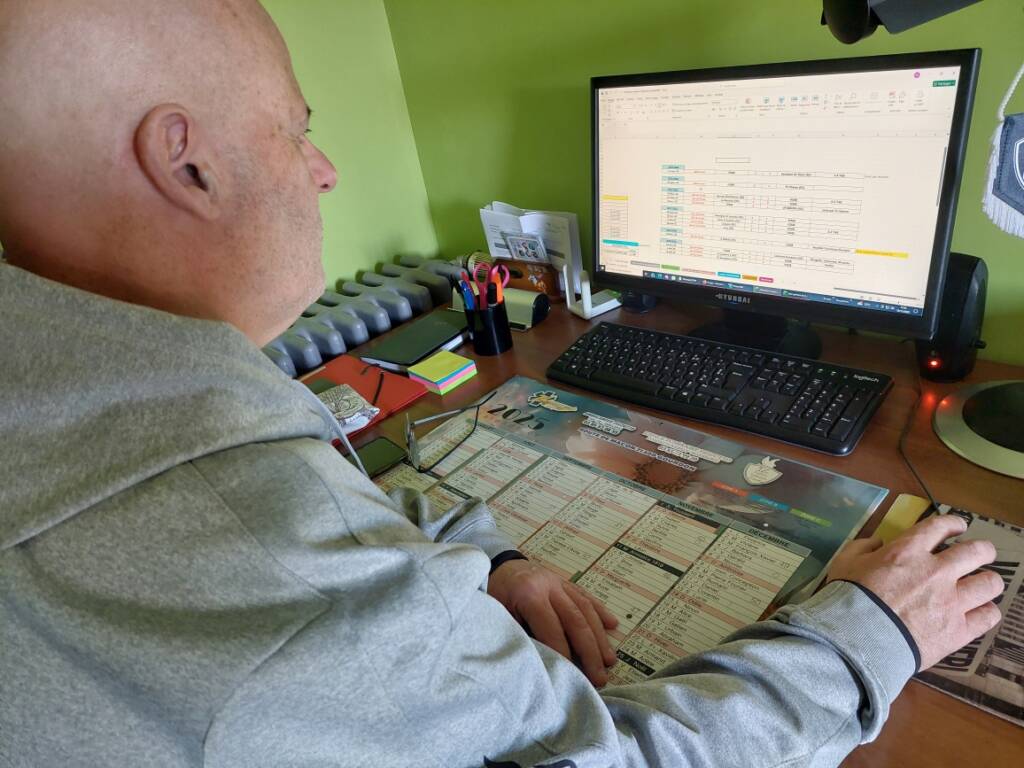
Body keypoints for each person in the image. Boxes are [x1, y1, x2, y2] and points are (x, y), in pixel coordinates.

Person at [0, 1, 1004, 766]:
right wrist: (869, 634)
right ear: (187, 166)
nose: (325, 169)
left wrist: (491, 560)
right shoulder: (262, 545)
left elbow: (340, 509)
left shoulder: (85, 385)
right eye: (295, 129)